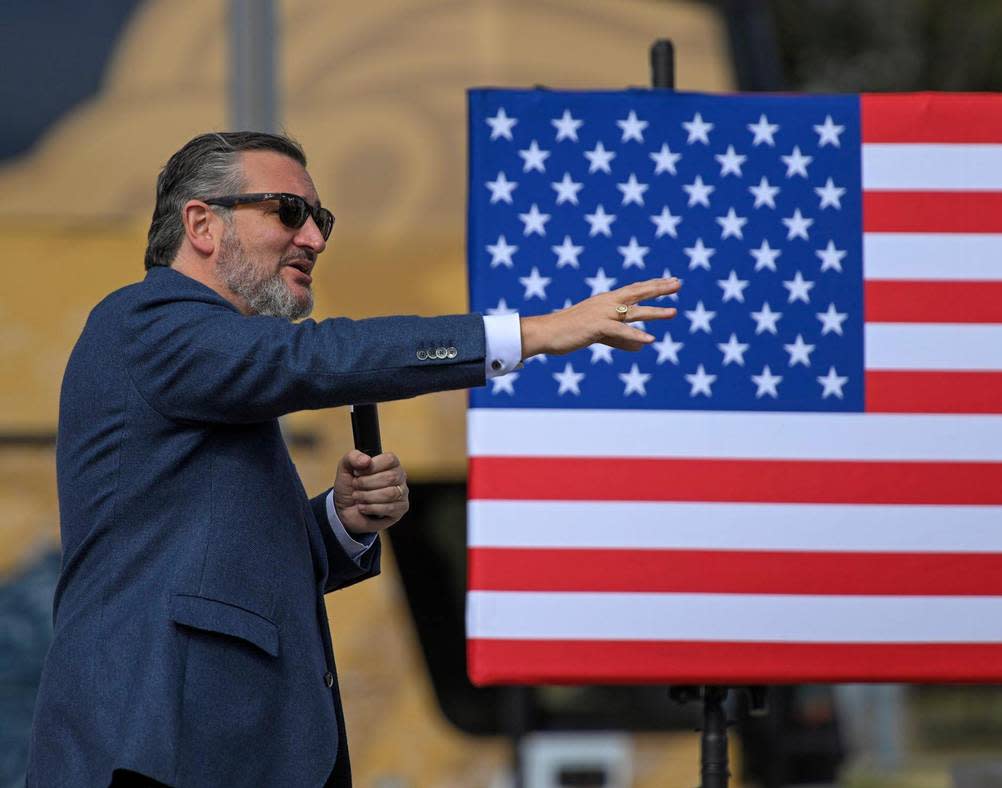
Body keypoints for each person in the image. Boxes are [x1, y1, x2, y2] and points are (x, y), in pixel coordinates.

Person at [26, 131, 679, 787]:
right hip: (156, 750)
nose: (314, 238)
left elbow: (221, 567)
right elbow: (315, 359)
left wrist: (343, 520)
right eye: (288, 210)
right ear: (201, 223)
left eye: (321, 219)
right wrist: (535, 332)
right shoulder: (147, 321)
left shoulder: (206, 367)